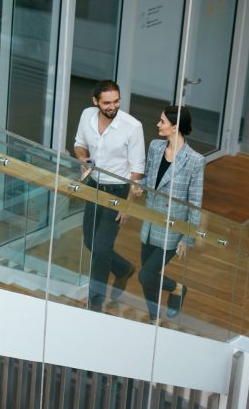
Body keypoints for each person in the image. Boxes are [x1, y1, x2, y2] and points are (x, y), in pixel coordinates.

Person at [73, 80, 145, 312]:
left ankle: (95, 303)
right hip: (94, 186)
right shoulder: (87, 116)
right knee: (89, 242)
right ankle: (123, 268)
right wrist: (83, 159)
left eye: (116, 101)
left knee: (102, 248)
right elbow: (79, 145)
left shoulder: (132, 127)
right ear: (96, 102)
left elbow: (137, 170)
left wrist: (128, 206)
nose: (112, 106)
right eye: (107, 102)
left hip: (118, 191)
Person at [137, 105, 205, 320]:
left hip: (172, 227)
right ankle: (154, 319)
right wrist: (139, 185)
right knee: (148, 278)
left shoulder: (195, 160)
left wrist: (188, 237)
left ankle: (177, 288)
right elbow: (150, 179)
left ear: (175, 128)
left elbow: (195, 202)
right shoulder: (156, 147)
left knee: (145, 275)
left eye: (163, 122)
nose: (158, 124)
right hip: (150, 221)